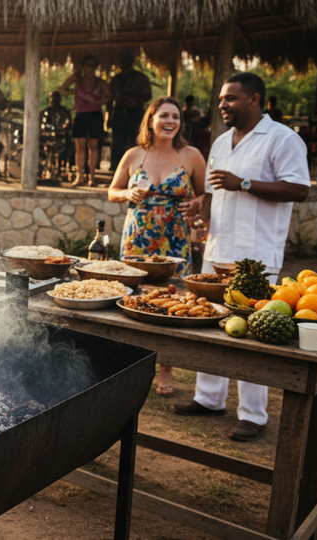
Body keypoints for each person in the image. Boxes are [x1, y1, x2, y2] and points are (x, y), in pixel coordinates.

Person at [173, 72, 310, 442]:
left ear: (254, 99)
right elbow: (216, 194)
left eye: (231, 98)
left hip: (256, 253)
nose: (222, 105)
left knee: (253, 329)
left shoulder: (282, 138)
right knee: (213, 321)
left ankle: (253, 413)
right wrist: (199, 211)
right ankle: (209, 398)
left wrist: (245, 183)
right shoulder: (219, 141)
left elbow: (299, 188)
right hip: (219, 249)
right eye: (221, 99)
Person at [108, 96, 207, 398]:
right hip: (138, 237)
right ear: (151, 120)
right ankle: (128, 365)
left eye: (175, 117)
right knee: (133, 297)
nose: (170, 122)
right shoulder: (133, 154)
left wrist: (196, 204)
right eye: (164, 115)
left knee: (172, 301)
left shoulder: (190, 155)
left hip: (175, 237)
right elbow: (112, 191)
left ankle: (166, 368)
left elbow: (206, 195)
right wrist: (127, 194)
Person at [59, 55, 112, 187]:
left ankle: (92, 178)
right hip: (80, 115)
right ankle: (79, 176)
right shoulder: (78, 81)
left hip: (94, 115)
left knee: (93, 146)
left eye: (93, 65)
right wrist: (73, 79)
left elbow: (110, 97)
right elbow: (62, 90)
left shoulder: (100, 82)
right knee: (79, 146)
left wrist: (97, 102)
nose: (90, 68)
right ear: (83, 67)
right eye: (88, 65)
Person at [108, 50, 152, 172]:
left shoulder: (141, 78)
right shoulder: (116, 79)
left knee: (137, 141)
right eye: (123, 62)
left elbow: (148, 96)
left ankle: (137, 168)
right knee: (117, 142)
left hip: (136, 113)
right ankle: (116, 169)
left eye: (128, 62)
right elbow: (109, 98)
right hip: (120, 113)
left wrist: (135, 99)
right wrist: (109, 116)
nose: (125, 64)